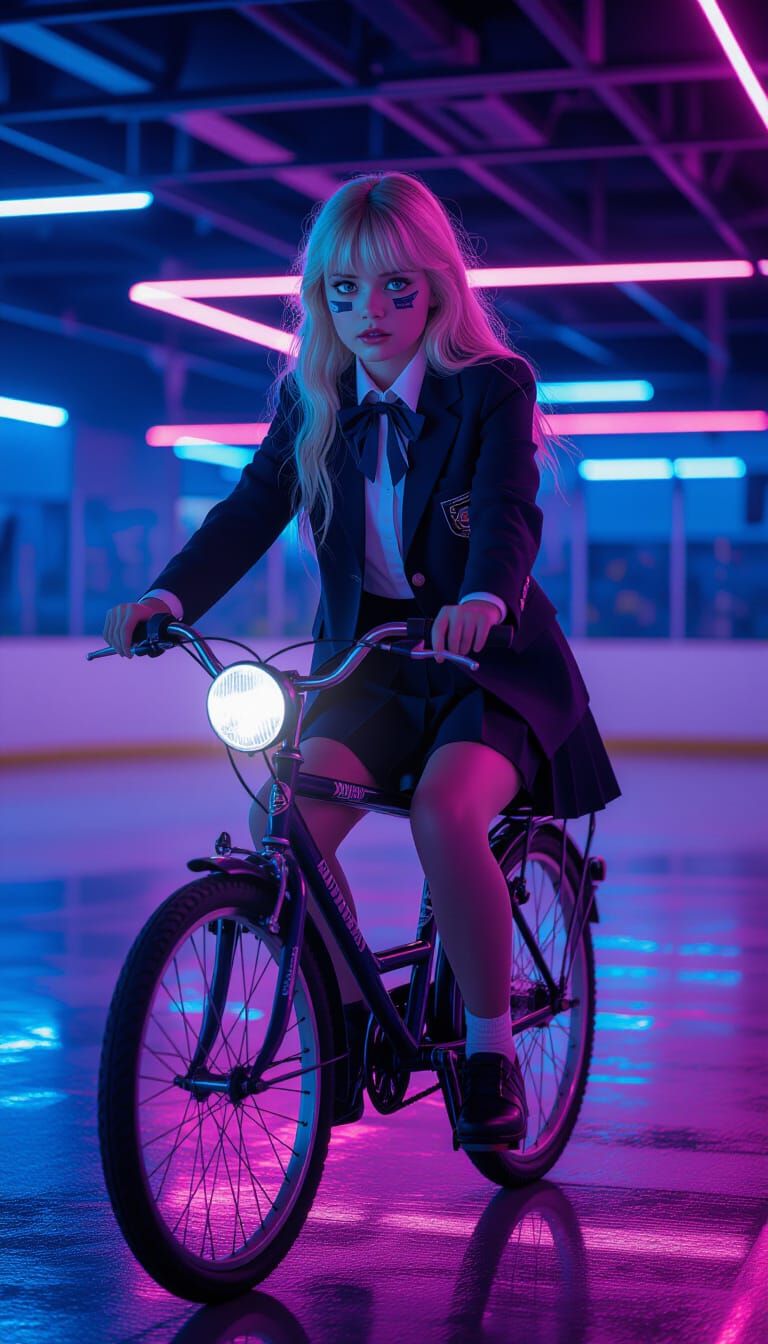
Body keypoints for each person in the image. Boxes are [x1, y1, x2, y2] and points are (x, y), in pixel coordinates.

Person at [103, 171, 621, 1148]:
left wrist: (482, 596)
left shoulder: (492, 387)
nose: (368, 312)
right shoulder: (318, 400)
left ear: (434, 286)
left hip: (487, 660)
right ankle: (344, 1020)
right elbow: (249, 510)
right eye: (343, 291)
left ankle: (488, 1047)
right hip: (373, 663)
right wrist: (169, 598)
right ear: (320, 299)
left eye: (392, 287)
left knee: (445, 810)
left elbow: (508, 507)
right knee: (283, 818)